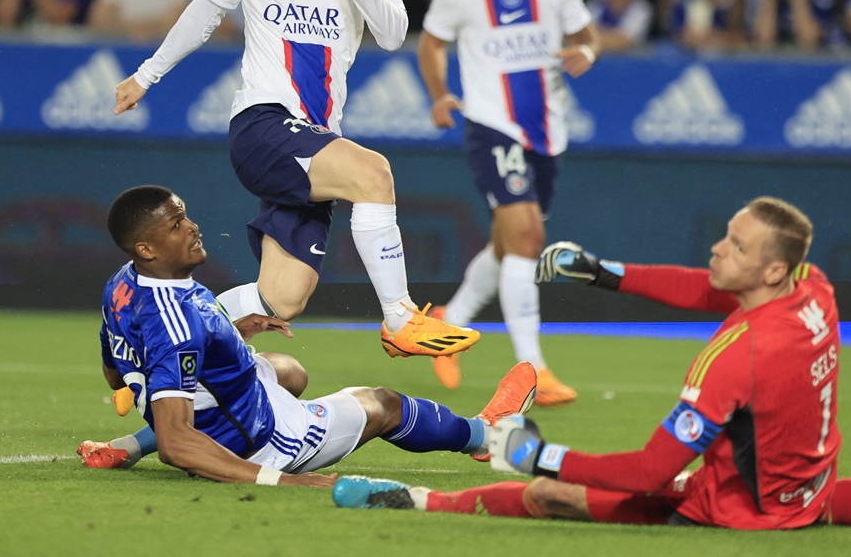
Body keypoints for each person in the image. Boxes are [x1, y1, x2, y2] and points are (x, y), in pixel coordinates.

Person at [330, 196, 851, 538]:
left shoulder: (736, 355)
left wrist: (534, 451)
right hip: (803, 480)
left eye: (734, 244)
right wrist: (606, 273)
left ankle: (413, 499)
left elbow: (648, 472)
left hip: (740, 506)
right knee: (826, 496)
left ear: (769, 267)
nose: (717, 248)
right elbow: (708, 289)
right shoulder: (815, 287)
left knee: (556, 497)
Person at [112, 0, 478, 359]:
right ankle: (399, 317)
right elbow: (205, 11)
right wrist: (147, 75)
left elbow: (395, 33)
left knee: (281, 298)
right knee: (374, 175)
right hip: (263, 123)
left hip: (315, 138)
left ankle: (148, 332)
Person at [75, 185, 537, 478]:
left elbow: (116, 373)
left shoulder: (122, 283)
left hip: (212, 402)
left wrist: (232, 331)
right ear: (146, 247)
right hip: (261, 440)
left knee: (289, 371)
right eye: (177, 225)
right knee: (384, 403)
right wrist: (281, 479)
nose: (193, 228)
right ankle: (485, 436)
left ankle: (131, 444)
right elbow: (177, 445)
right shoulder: (175, 321)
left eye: (186, 215)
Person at [417, 0, 599, 407]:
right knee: (526, 239)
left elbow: (586, 37)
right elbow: (431, 44)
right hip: (491, 125)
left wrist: (586, 54)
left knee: (507, 244)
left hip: (547, 130)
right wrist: (437, 93)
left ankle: (449, 323)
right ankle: (534, 370)